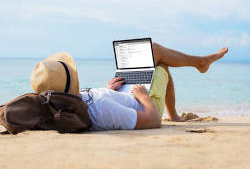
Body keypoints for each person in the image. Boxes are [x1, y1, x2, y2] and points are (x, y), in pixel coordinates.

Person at [30, 42, 228, 130]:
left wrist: (108, 89)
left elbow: (96, 101)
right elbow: (152, 121)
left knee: (153, 53)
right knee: (160, 61)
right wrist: (143, 97)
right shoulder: (102, 110)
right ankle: (200, 64)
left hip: (121, 93)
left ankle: (200, 64)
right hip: (145, 104)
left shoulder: (71, 102)